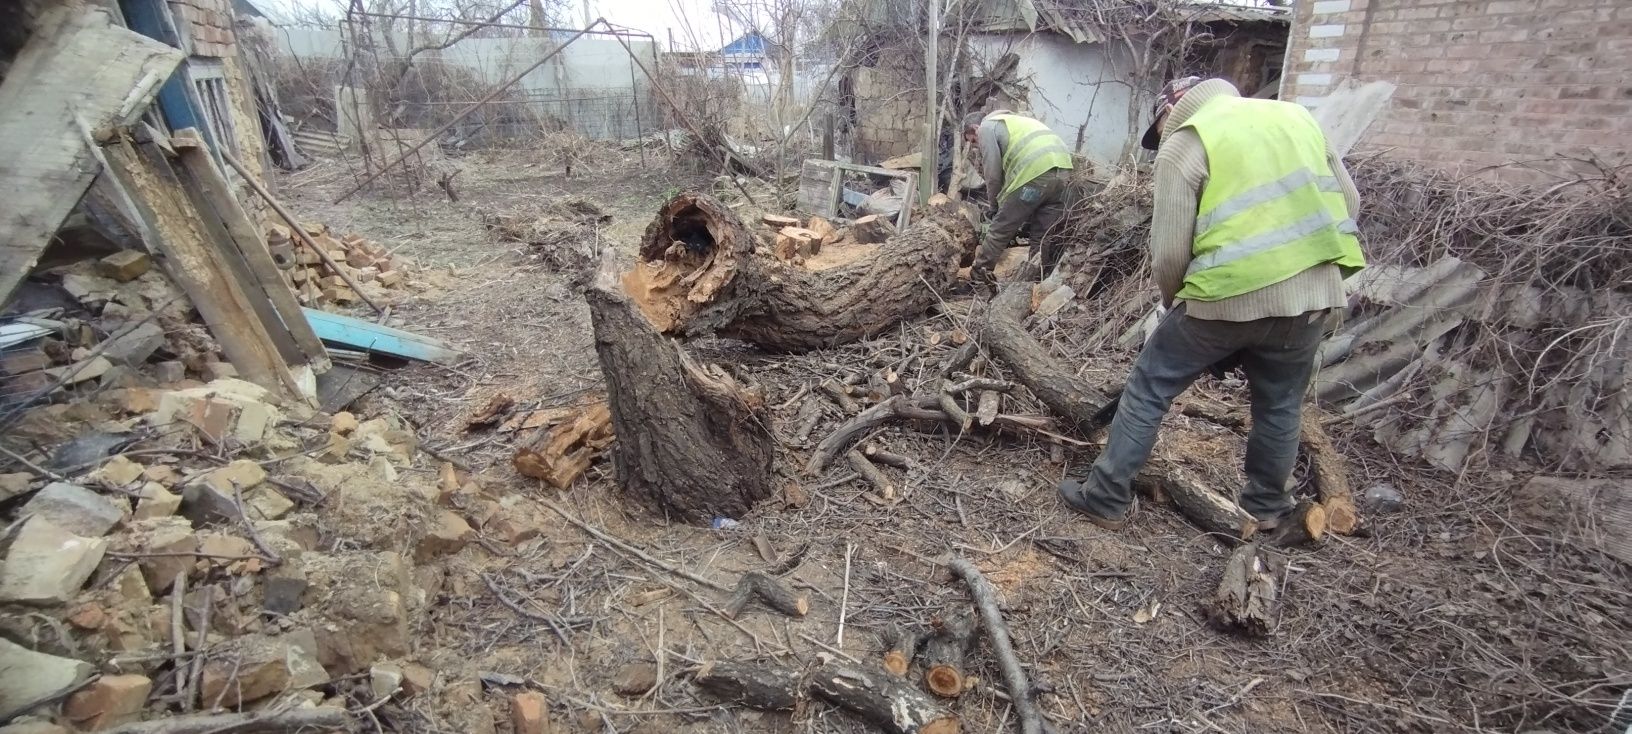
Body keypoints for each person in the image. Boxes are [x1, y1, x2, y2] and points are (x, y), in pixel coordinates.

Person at [1057, 76, 1366, 536]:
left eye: (1157, 129)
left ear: (1170, 110)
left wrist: (1175, 308)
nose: (1159, 138)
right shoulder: (1297, 118)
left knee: (1148, 387)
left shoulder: (1187, 140)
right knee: (1280, 404)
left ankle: (1103, 496)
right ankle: (1266, 507)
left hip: (1224, 295)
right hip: (1312, 297)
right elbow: (1351, 203)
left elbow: (1168, 253)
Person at [963, 110, 1075, 285]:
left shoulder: (986, 127)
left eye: (973, 141)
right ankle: (1035, 281)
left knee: (1001, 227)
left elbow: (992, 175)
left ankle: (977, 280)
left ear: (975, 128)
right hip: (1062, 170)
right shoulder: (1013, 121)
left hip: (1035, 171)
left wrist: (994, 207)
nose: (976, 146)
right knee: (1042, 234)